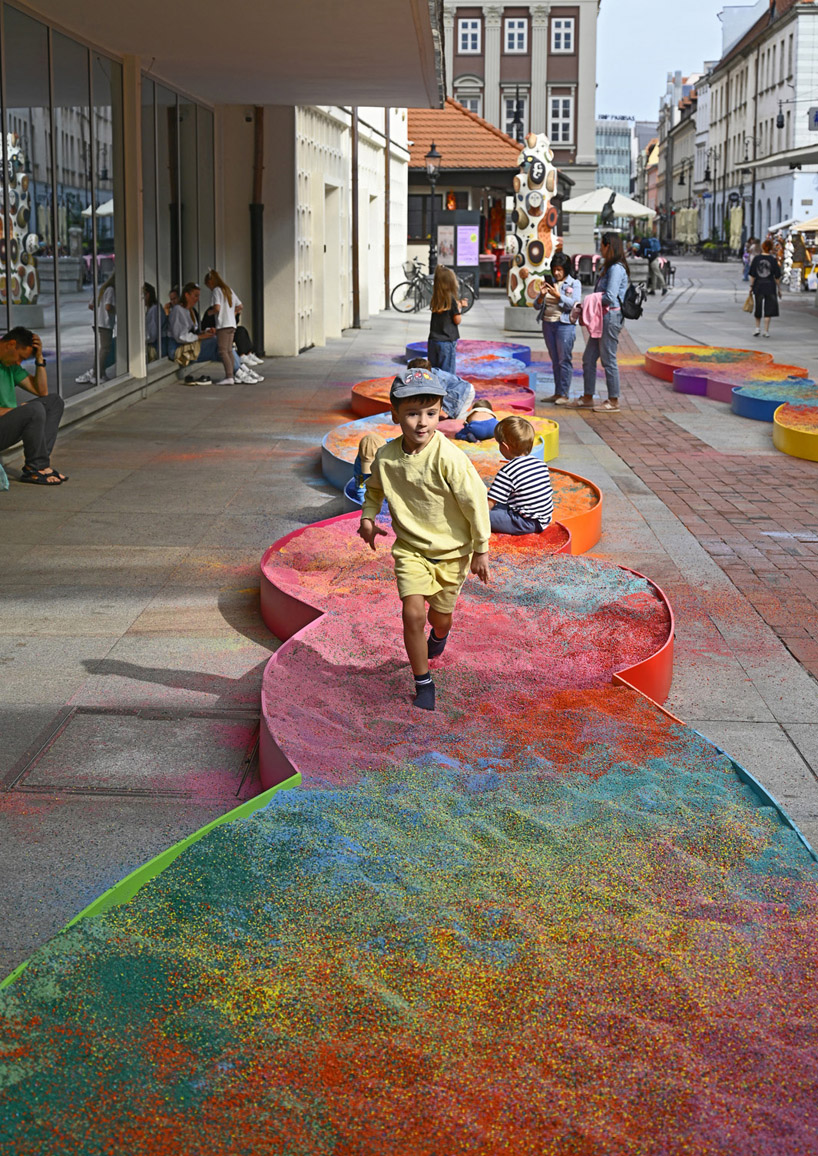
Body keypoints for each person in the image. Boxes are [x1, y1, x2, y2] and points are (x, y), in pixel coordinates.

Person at [358, 368, 490, 712]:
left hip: (452, 553)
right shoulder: (386, 458)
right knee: (412, 613)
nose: (422, 422)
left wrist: (481, 549)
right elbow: (373, 489)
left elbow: (475, 502)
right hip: (411, 550)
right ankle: (423, 681)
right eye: (413, 413)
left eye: (431, 413)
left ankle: (440, 636)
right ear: (395, 414)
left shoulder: (449, 458)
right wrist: (368, 518)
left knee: (439, 618)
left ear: (441, 412)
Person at [0, 327, 66, 485]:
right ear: (10, 344)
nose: (19, 363)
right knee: (34, 410)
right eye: (20, 358)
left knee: (53, 402)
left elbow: (41, 391)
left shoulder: (9, 365)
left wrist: (39, 357)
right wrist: (16, 411)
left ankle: (39, 465)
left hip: (5, 424)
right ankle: (36, 467)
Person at [574, 231, 630, 413]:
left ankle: (613, 400)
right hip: (602, 318)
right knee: (588, 358)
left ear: (609, 246)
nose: (600, 249)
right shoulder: (609, 267)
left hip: (610, 318)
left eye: (602, 245)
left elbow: (610, 297)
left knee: (608, 359)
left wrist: (590, 299)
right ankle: (588, 396)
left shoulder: (616, 269)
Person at [168, 282, 256, 384]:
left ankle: (238, 370)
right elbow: (180, 336)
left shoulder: (190, 311)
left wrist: (206, 332)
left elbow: (193, 332)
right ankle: (239, 371)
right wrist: (200, 336)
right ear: (186, 295)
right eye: (195, 296)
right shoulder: (178, 310)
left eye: (198, 296)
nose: (197, 299)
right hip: (178, 349)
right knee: (218, 343)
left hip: (189, 344)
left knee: (223, 345)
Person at [487, 416, 553, 535]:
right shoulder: (541, 463)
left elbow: (489, 504)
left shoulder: (508, 471)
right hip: (544, 518)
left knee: (480, 516)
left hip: (523, 522)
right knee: (500, 505)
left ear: (505, 447)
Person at [201, 269, 263, 384]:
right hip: (231, 324)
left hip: (223, 325)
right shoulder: (228, 290)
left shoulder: (216, 291)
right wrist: (231, 314)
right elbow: (240, 306)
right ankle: (234, 374)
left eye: (208, 284)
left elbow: (217, 308)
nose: (208, 287)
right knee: (229, 350)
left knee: (223, 351)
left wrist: (210, 313)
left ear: (211, 282)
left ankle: (229, 376)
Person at [535, 252, 581, 404]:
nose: (556, 273)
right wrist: (542, 296)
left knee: (564, 360)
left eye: (560, 270)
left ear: (566, 269)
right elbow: (536, 305)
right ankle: (557, 393)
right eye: (554, 269)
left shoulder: (574, 284)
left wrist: (558, 295)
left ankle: (564, 394)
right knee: (555, 360)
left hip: (564, 325)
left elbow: (575, 304)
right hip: (548, 323)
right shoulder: (551, 282)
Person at [75, 273, 116, 385]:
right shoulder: (111, 289)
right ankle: (96, 375)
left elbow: (90, 305)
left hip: (96, 322)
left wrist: (98, 312)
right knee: (105, 349)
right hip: (105, 323)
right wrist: (117, 310)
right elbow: (108, 306)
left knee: (102, 349)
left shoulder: (101, 288)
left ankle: (101, 373)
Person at [427, 266, 468, 375]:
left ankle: (435, 390)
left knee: (434, 371)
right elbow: (457, 320)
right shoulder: (452, 300)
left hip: (433, 340)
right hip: (447, 341)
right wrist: (459, 308)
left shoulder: (436, 298)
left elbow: (445, 312)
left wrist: (457, 304)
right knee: (447, 374)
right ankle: (445, 391)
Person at [407, 356, 474, 420]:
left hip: (465, 393)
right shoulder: (426, 374)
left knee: (458, 418)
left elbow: (437, 397)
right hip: (456, 393)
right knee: (452, 415)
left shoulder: (438, 379)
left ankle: (475, 419)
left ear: (427, 372)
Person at [749, 239, 782, 338]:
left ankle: (757, 328)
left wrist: (751, 286)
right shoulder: (773, 260)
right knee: (769, 308)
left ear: (763, 247)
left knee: (758, 307)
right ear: (771, 249)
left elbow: (752, 274)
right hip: (770, 286)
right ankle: (766, 330)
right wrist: (779, 288)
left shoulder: (757, 259)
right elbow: (777, 276)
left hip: (758, 286)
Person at [144, 282, 166, 361]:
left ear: (148, 295)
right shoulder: (154, 308)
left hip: (156, 347)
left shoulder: (154, 309)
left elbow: (152, 334)